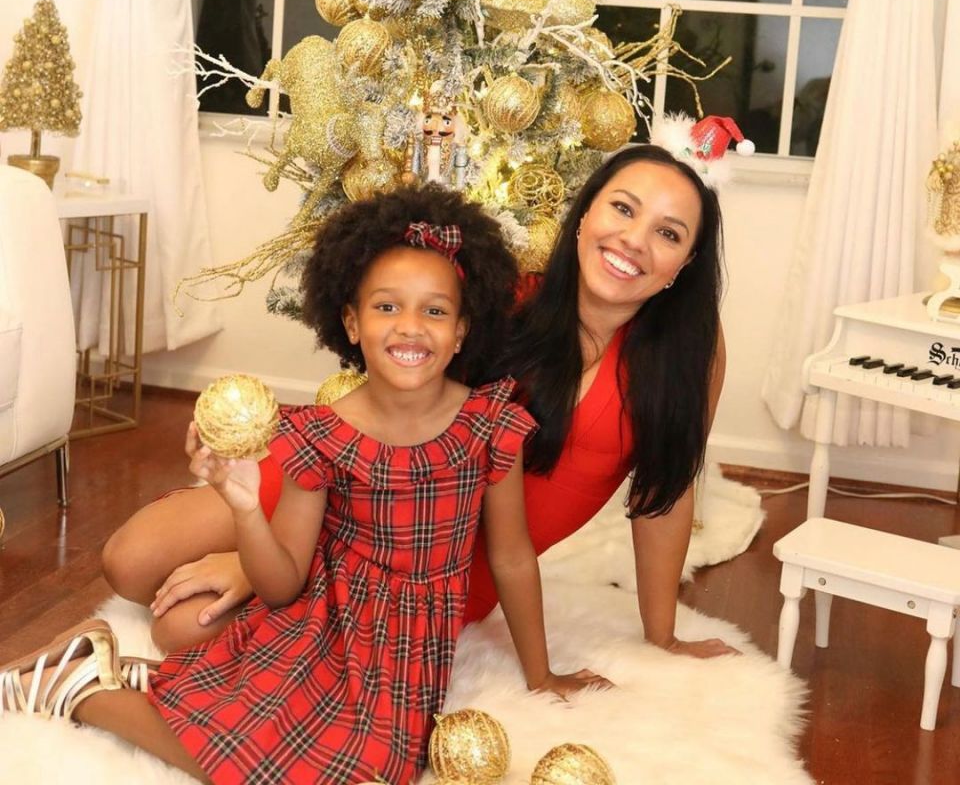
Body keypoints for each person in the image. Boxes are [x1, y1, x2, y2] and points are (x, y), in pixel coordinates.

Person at [0, 186, 605, 784]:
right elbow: (283, 582)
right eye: (386, 307)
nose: (410, 328)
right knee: (284, 760)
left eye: (435, 310)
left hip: (411, 648)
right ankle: (79, 690)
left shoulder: (490, 424)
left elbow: (512, 557)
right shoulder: (320, 436)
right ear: (350, 320)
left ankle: (108, 670)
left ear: (464, 328)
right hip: (323, 624)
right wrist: (244, 509)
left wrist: (541, 675)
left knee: (374, 765)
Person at [103, 130, 737, 660]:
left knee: (179, 628)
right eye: (623, 209)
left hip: (433, 563)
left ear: (685, 264)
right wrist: (270, 554)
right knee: (128, 563)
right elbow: (390, 427)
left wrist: (665, 638)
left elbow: (665, 494)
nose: (634, 241)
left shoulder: (689, 360)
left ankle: (269, 567)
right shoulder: (504, 300)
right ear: (585, 215)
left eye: (669, 233)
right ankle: (259, 541)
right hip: (351, 492)